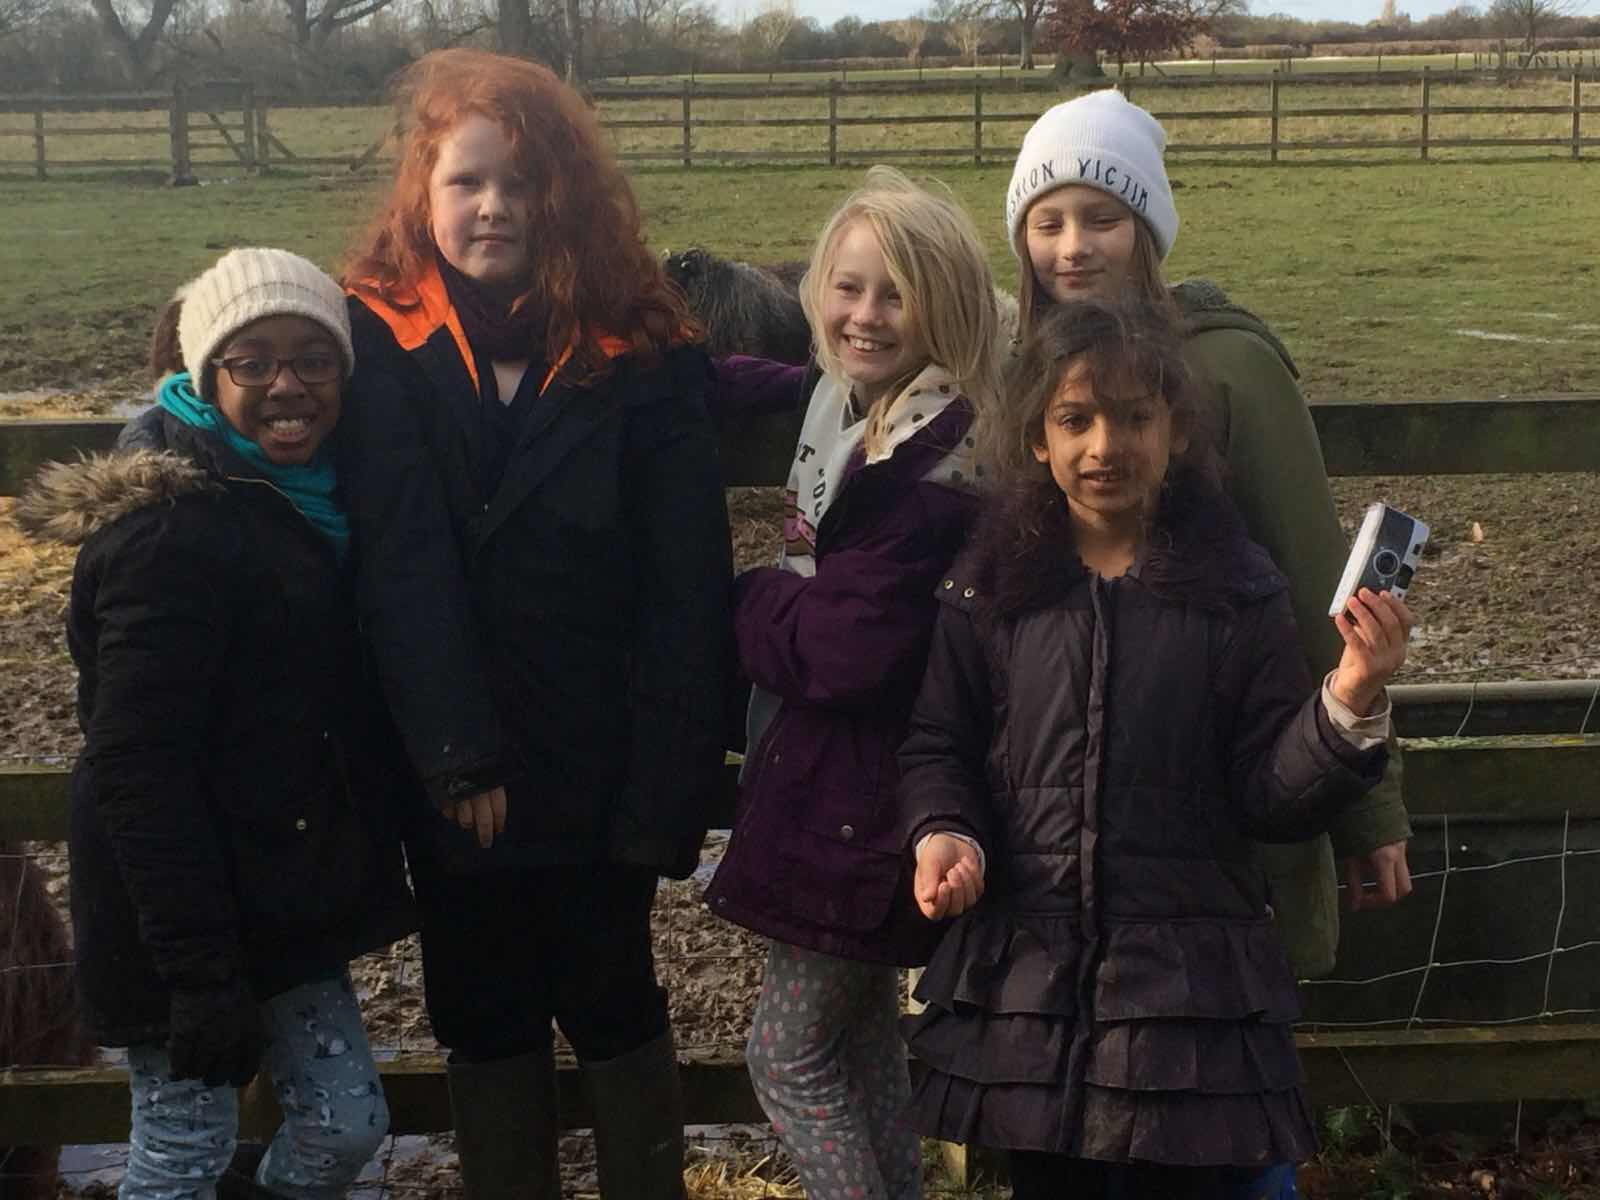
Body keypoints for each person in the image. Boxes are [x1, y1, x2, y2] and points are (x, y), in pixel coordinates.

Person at [899, 299, 1413, 1198]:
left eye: (1134, 417)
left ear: (1176, 433)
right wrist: (946, 833)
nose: (1106, 446)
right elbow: (939, 741)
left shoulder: (1238, 591)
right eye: (1076, 420)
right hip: (1029, 995)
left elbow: (1268, 793)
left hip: (1189, 1002)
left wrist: (1347, 701)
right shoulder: (988, 589)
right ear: (1036, 439)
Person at [337, 49, 732, 1200]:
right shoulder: (382, 341)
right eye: (465, 182)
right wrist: (454, 751)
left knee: (614, 998)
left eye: (519, 182)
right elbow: (401, 558)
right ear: (423, 192)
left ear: (561, 193)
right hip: (455, 762)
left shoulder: (643, 350)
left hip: (600, 761)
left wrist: (666, 785)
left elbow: (685, 584)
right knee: (481, 1009)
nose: (493, 206)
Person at [16, 247, 416, 1200]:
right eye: (253, 361)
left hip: (282, 890)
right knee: (181, 1150)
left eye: (313, 360)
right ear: (204, 376)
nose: (288, 385)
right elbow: (136, 767)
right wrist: (197, 974)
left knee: (344, 1123)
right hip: (176, 913)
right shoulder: (168, 535)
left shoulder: (304, 505)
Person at [1003, 89, 1413, 981]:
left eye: (1103, 218)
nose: (1072, 247)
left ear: (1147, 228)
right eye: (1048, 222)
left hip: (1223, 791)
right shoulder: (1019, 375)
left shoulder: (1228, 369)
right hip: (1060, 813)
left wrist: (1369, 808)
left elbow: (1313, 577)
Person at [703, 167, 1003, 1200]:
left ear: (945, 307)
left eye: (894, 294)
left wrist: (743, 598)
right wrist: (669, 373)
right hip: (865, 794)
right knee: (864, 1036)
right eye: (846, 287)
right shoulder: (863, 405)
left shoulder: (933, 474)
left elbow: (843, 648)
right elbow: (794, 383)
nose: (864, 315)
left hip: (863, 795)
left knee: (785, 1057)